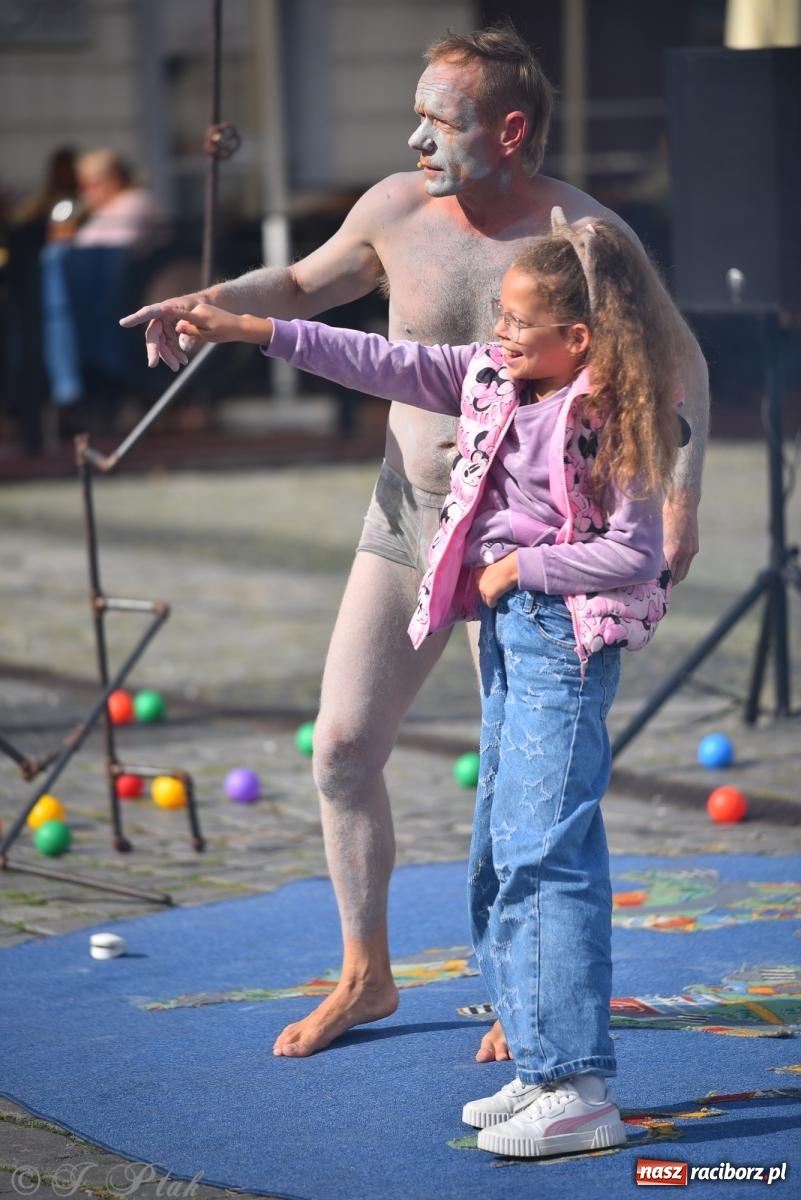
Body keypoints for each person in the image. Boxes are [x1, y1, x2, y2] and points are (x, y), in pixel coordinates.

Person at [119, 24, 708, 1062]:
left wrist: (681, 499)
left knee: (524, 781)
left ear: (510, 129)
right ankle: (366, 975)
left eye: (441, 119)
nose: (417, 137)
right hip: (408, 518)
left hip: (529, 544)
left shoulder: (582, 234)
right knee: (343, 745)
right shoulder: (395, 207)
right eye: (419, 115)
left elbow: (680, 359)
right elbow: (302, 292)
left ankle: (519, 988)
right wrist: (211, 307)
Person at [155, 210, 689, 1157]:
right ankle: (539, 1065)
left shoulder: (610, 414)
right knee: (502, 850)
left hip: (563, 641)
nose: (499, 333)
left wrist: (523, 571)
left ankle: (578, 1085)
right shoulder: (492, 379)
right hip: (513, 637)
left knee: (546, 856)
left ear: (576, 340)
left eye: (519, 322)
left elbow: (633, 552)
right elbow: (375, 360)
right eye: (499, 317)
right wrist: (251, 329)